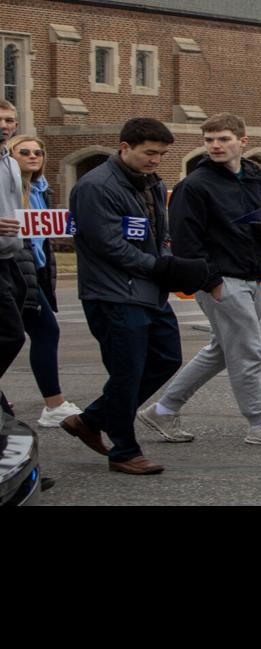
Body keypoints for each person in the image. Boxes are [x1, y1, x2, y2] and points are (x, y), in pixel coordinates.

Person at [140, 113, 261, 446]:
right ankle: (260, 424)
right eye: (209, 140)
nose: (215, 145)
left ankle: (163, 409)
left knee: (221, 349)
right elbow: (186, 243)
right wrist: (211, 282)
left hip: (250, 277)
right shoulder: (195, 185)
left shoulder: (257, 178)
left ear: (242, 142)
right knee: (247, 352)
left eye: (223, 139)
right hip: (220, 280)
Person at [61, 117, 208, 475]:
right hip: (112, 293)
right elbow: (108, 245)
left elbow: (158, 237)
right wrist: (161, 268)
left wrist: (173, 264)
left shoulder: (152, 183)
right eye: (149, 153)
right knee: (126, 373)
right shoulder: (95, 186)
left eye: (161, 154)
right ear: (125, 147)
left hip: (149, 291)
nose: (156, 160)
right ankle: (124, 450)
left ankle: (90, 419)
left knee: (167, 358)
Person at [7, 133, 82, 428]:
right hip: (15, 271)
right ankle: (54, 404)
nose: (32, 156)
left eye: (38, 152)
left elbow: (44, 237)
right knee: (44, 332)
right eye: (24, 151)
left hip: (34, 269)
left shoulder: (40, 189)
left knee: (31, 334)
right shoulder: (9, 190)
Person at [0, 99, 31, 381]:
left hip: (11, 260)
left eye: (9, 121)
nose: (4, 126)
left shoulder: (10, 163)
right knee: (10, 336)